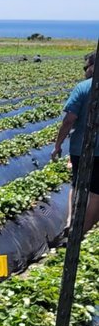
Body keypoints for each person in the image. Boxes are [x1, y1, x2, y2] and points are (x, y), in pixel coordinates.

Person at [51, 51, 99, 233]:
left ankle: (71, 223)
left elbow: (69, 119)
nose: (85, 70)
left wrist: (58, 145)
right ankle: (83, 230)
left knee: (78, 185)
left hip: (81, 147)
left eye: (86, 67)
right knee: (96, 192)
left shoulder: (83, 87)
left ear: (93, 67)